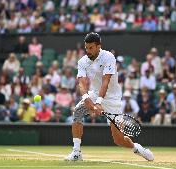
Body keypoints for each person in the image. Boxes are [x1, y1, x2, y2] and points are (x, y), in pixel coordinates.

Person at [65, 32, 154, 161]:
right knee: (77, 112)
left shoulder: (108, 57)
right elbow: (82, 83)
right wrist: (87, 99)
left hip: (112, 99)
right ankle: (76, 152)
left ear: (98, 46)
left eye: (91, 48)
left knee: (119, 140)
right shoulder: (82, 61)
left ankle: (137, 148)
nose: (88, 51)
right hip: (94, 94)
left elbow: (105, 81)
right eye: (86, 48)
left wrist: (99, 102)